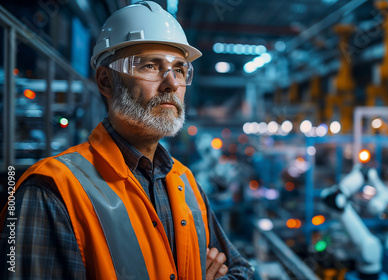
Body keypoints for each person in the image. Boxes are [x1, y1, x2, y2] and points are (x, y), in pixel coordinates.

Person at [0, 1, 254, 279]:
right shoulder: (51, 190)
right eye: (150, 66)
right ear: (106, 81)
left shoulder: (186, 182)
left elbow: (242, 270)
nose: (171, 83)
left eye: (179, 69)